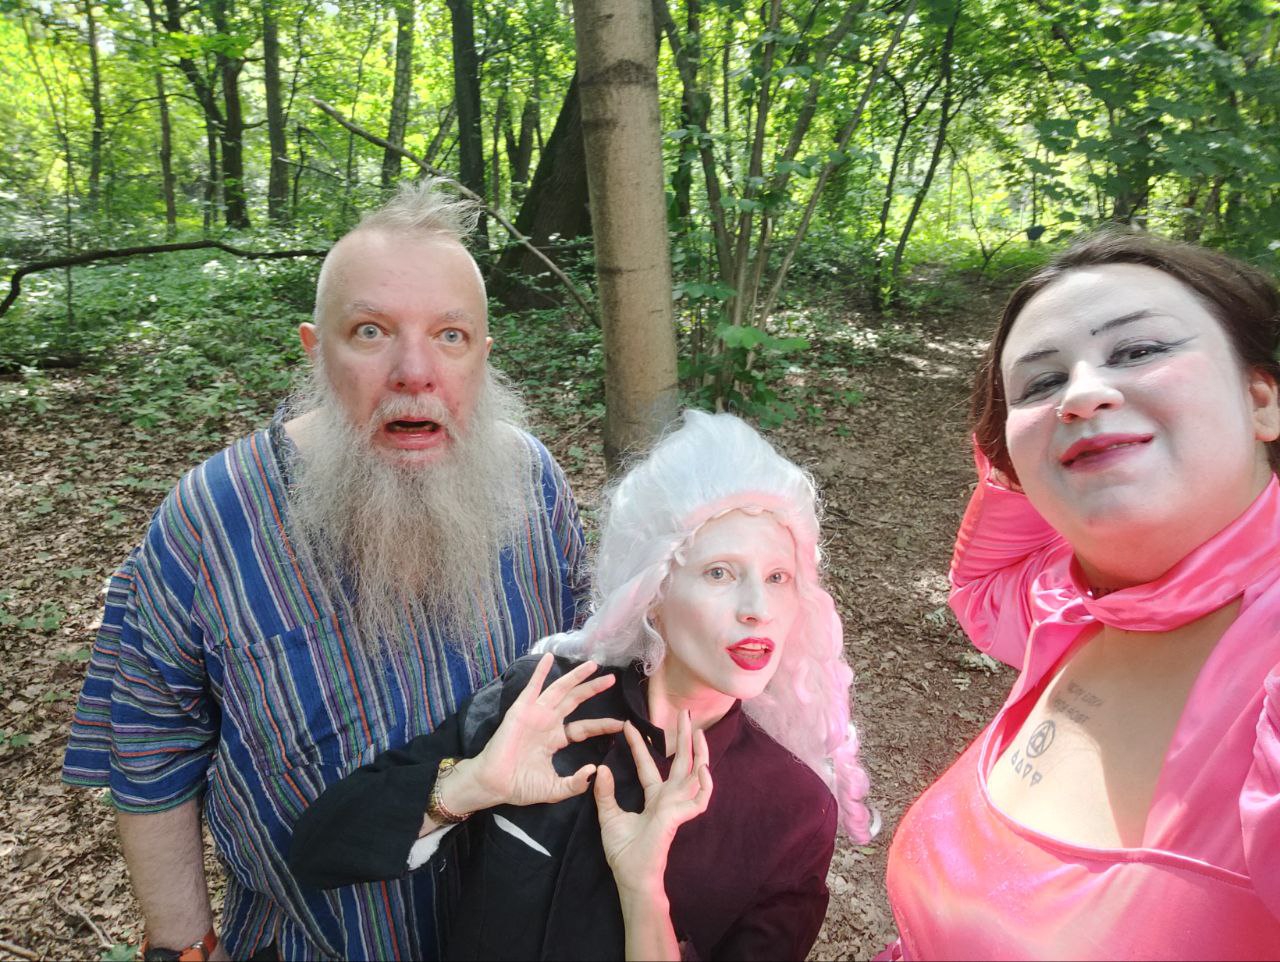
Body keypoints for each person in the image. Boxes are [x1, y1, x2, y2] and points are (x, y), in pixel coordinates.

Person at [61, 180, 588, 962]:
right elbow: (149, 751)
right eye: (371, 331)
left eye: (450, 335)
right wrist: (182, 947)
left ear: (483, 356)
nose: (415, 371)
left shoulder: (533, 484)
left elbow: (588, 673)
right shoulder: (212, 518)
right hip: (313, 940)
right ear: (315, 350)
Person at [288, 410, 875, 961]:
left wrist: (644, 894)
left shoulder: (794, 814)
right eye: (719, 572)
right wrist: (470, 783)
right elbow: (316, 850)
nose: (757, 609)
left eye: (778, 577)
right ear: (653, 594)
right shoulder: (546, 703)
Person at [883, 229, 1280, 959]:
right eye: (1041, 383)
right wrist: (1033, 460)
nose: (1082, 393)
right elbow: (981, 586)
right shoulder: (1071, 605)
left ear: (1261, 400)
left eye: (1138, 350)